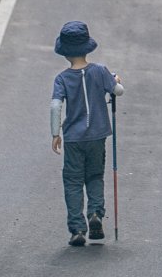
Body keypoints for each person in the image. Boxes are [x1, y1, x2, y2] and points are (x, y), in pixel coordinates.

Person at [50, 21, 124, 246]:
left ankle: (77, 229)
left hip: (73, 138)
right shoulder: (101, 71)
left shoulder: (62, 79)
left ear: (65, 53)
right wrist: (115, 80)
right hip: (97, 136)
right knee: (94, 177)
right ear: (87, 47)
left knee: (73, 181)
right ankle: (95, 214)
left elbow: (55, 106)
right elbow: (118, 91)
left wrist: (55, 133)